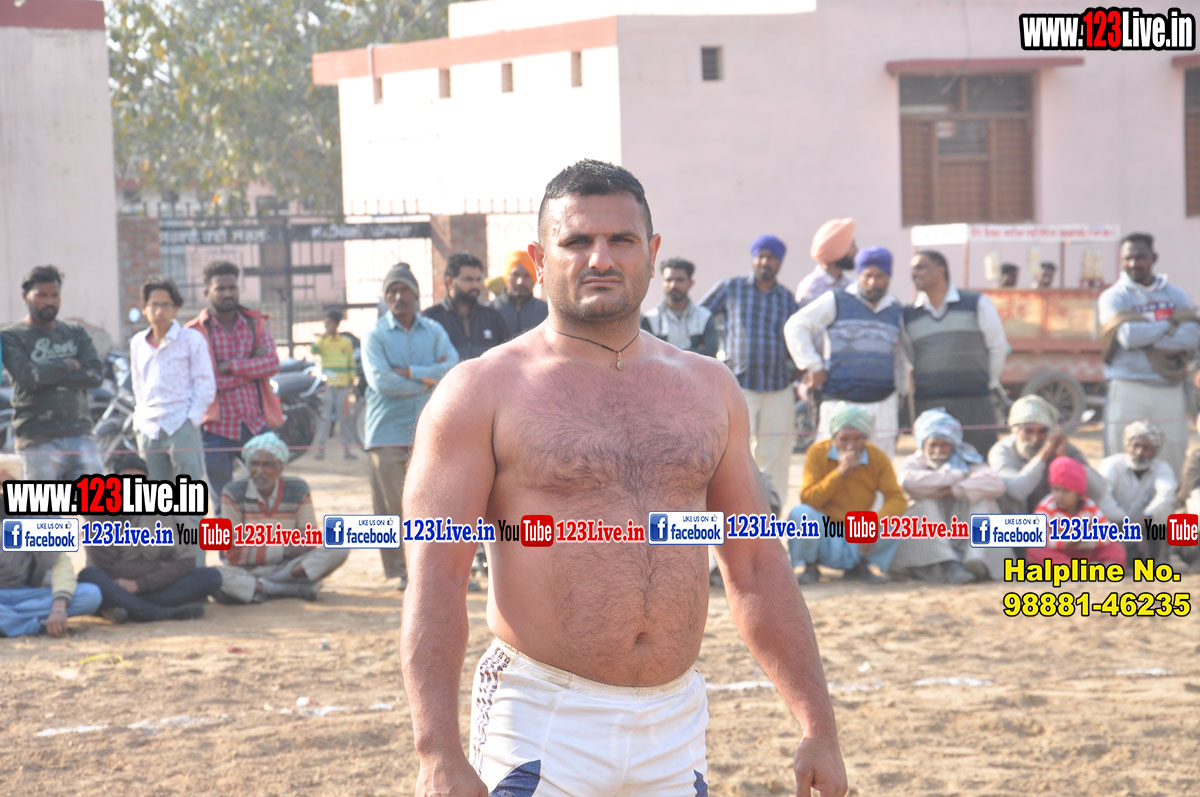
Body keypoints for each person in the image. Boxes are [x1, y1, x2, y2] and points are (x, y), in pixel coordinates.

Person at [400, 160, 846, 797]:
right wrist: (436, 752)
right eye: (577, 241)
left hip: (675, 723)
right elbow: (436, 577)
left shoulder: (709, 388)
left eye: (621, 240)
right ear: (539, 259)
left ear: (653, 252)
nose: (600, 258)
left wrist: (817, 726)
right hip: (542, 717)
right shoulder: (481, 391)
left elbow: (756, 564)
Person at [363, 263, 458, 590]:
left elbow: (453, 369)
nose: (398, 296)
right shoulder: (374, 336)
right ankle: (400, 571)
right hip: (386, 434)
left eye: (404, 290)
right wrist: (428, 377)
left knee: (431, 504)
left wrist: (409, 372)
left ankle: (428, 569)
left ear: (416, 295)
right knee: (391, 506)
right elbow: (382, 382)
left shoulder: (434, 331)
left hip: (430, 433)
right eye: (392, 291)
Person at [701, 235, 800, 509]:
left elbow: (798, 337)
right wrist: (712, 355)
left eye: (772, 258)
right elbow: (700, 317)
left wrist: (796, 370)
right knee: (734, 453)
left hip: (778, 387)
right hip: (738, 386)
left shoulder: (786, 299)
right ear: (754, 258)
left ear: (779, 263)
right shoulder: (732, 288)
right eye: (761, 256)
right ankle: (736, 514)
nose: (765, 262)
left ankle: (773, 517)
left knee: (776, 454)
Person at [784, 245, 905, 456]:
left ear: (888, 277)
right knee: (833, 466)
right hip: (839, 403)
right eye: (867, 276)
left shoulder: (895, 309)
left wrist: (902, 390)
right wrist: (813, 365)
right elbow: (796, 325)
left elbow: (901, 355)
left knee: (879, 468)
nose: (873, 282)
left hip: (883, 404)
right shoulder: (837, 300)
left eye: (879, 276)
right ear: (859, 275)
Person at [1098, 232, 1198, 479]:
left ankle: (1167, 503)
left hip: (1168, 387)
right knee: (1120, 460)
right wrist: (1168, 325)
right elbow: (1127, 337)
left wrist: (1146, 334)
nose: (1134, 263)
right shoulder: (1114, 296)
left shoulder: (1175, 295)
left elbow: (1192, 336)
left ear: (1154, 258)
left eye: (1140, 257)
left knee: (1172, 456)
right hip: (1127, 386)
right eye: (1128, 258)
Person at [77, 453, 220, 622]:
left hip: (153, 584)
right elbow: (108, 568)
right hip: (116, 584)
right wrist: (160, 566)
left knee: (210, 577)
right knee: (90, 576)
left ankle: (127, 608)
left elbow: (187, 561)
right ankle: (156, 612)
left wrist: (140, 585)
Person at [186, 260, 282, 509]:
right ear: (207, 293)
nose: (228, 293)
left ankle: (259, 537)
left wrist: (231, 366)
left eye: (232, 288)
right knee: (222, 502)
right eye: (221, 288)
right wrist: (251, 369)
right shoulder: (194, 332)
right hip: (215, 429)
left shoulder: (255, 323)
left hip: (255, 424)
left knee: (265, 497)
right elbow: (205, 381)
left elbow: (272, 363)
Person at [214, 432, 347, 602]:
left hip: (289, 568)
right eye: (254, 464)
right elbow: (233, 552)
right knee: (215, 577)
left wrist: (263, 549)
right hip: (248, 570)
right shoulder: (232, 492)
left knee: (338, 547)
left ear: (280, 468)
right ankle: (288, 589)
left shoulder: (298, 489)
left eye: (267, 465)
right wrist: (283, 549)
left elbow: (308, 541)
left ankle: (265, 587)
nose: (259, 471)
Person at [0, 265, 104, 480]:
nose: (49, 301)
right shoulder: (12, 336)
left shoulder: (74, 332)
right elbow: (28, 378)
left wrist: (45, 374)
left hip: (80, 435)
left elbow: (95, 375)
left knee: (95, 500)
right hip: (38, 439)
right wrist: (68, 364)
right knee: (44, 502)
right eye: (42, 295)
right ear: (25, 296)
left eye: (54, 295)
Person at [786, 402, 906, 584]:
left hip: (858, 528)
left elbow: (896, 498)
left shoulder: (877, 457)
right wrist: (839, 473)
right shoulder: (818, 452)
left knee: (897, 523)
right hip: (825, 530)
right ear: (834, 437)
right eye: (844, 439)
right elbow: (808, 498)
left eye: (857, 439)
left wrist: (874, 523)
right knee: (800, 514)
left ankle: (861, 566)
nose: (851, 446)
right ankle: (810, 566)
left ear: (866, 437)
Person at [904, 250, 1008, 454]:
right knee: (936, 464)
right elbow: (909, 356)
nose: (914, 274)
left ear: (941, 270)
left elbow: (997, 346)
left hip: (974, 403)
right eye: (912, 269)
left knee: (979, 461)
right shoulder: (909, 314)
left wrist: (988, 382)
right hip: (930, 405)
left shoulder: (976, 303)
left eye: (921, 268)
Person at [889, 408, 1009, 584]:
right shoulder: (915, 462)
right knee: (926, 503)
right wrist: (955, 476)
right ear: (923, 444)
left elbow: (996, 484)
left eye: (944, 445)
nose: (938, 450)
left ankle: (975, 561)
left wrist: (953, 490)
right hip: (928, 547)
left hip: (961, 534)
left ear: (953, 445)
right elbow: (909, 483)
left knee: (983, 501)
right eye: (933, 445)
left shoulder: (967, 458)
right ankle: (949, 565)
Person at [0, 454, 102, 636]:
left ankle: (9, 623)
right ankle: (33, 627)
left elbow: (61, 565)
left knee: (90, 595)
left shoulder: (36, 516)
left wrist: (59, 608)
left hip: (27, 595)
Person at [130, 276, 215, 493]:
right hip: (149, 428)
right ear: (144, 309)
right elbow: (138, 385)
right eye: (154, 305)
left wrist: (191, 419)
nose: (159, 311)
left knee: (188, 494)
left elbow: (205, 384)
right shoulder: (138, 342)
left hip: (181, 423)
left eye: (166, 305)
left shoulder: (191, 339)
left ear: (176, 308)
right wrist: (140, 417)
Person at [987, 395, 1121, 519]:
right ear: (1016, 430)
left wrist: (1065, 463)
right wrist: (1044, 454)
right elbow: (1016, 491)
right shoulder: (1001, 451)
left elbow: (1100, 490)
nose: (1035, 439)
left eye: (1042, 431)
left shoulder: (1062, 447)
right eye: (1028, 431)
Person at [1097, 420, 1177, 564]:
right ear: (1127, 445)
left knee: (1166, 514)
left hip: (1146, 526)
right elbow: (1102, 496)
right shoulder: (1111, 465)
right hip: (1115, 525)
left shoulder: (1162, 468)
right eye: (1135, 446)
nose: (1139, 452)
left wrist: (1145, 517)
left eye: (1146, 448)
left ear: (1155, 450)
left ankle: (1160, 558)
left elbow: (1166, 496)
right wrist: (1126, 522)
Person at [1033, 457, 1126, 567]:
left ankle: (1107, 567)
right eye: (1056, 489)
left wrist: (1093, 542)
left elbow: (1107, 531)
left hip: (1084, 551)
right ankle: (1073, 570)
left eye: (1066, 491)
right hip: (1060, 553)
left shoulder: (1089, 506)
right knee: (1035, 550)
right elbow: (1038, 536)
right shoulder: (1047, 506)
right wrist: (1065, 542)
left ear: (1079, 495)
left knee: (1114, 547)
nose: (1059, 496)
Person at [423, 252, 510, 360]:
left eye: (478, 280)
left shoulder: (492, 318)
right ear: (450, 282)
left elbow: (507, 356)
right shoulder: (431, 319)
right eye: (468, 279)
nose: (475, 285)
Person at [640, 257, 719, 356]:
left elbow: (710, 352)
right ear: (663, 283)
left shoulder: (704, 317)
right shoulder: (651, 318)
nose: (673, 285)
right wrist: (695, 351)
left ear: (691, 283)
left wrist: (666, 354)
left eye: (680, 280)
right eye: (668, 280)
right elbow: (647, 353)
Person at [310, 310, 358, 460]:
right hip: (328, 386)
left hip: (343, 386)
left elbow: (351, 363)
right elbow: (313, 350)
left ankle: (347, 450)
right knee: (324, 417)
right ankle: (321, 449)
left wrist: (351, 380)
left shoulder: (345, 342)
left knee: (344, 417)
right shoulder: (323, 342)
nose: (326, 326)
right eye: (325, 323)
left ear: (336, 324)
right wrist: (322, 337)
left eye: (329, 323)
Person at [794, 218, 856, 310]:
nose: (856, 250)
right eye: (852, 246)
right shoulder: (812, 287)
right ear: (837, 251)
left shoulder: (851, 285)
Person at [491, 250, 548, 339]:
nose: (520, 282)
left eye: (527, 276)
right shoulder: (489, 311)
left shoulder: (546, 312)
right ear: (506, 277)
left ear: (534, 278)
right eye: (515, 275)